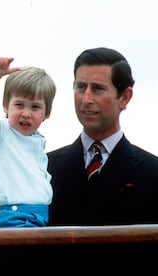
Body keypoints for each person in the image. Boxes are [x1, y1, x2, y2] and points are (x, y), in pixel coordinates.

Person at [47, 47, 158, 226]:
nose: (86, 99)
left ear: (125, 97)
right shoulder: (43, 169)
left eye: (98, 89)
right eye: (81, 87)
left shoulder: (153, 174)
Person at [0, 55, 56, 228]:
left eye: (35, 107)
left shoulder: (38, 140)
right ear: (6, 106)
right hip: (14, 216)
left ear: (46, 113)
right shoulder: (2, 133)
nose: (26, 113)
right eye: (19, 105)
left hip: (41, 215)